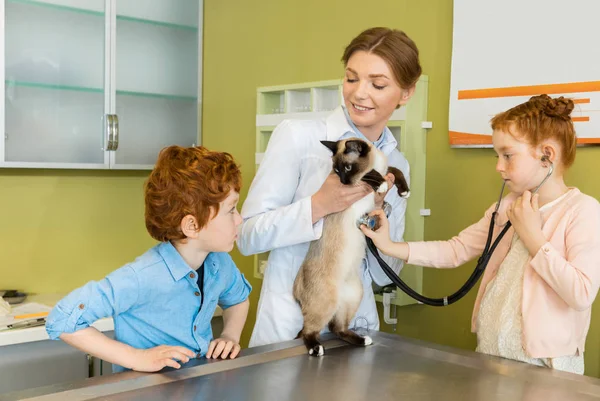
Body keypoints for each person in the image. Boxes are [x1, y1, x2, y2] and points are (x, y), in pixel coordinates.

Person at [362, 95, 600, 374]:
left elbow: (581, 294)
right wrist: (390, 246)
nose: (499, 166)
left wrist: (534, 238)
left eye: (508, 155)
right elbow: (455, 250)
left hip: (546, 368)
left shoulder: (582, 211)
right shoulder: (507, 206)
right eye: (497, 156)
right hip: (493, 356)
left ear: (546, 155)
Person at [237, 27, 422, 347]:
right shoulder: (298, 137)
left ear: (406, 94)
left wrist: (381, 224)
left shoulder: (397, 164)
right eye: (351, 79)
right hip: (288, 328)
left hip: (355, 321)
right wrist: (319, 205)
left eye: (377, 84)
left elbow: (384, 275)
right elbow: (247, 236)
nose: (359, 93)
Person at [46, 145, 252, 372]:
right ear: (192, 226)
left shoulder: (220, 263)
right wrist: (136, 358)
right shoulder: (141, 277)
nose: (239, 219)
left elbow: (237, 298)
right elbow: (62, 320)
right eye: (231, 210)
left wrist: (230, 335)